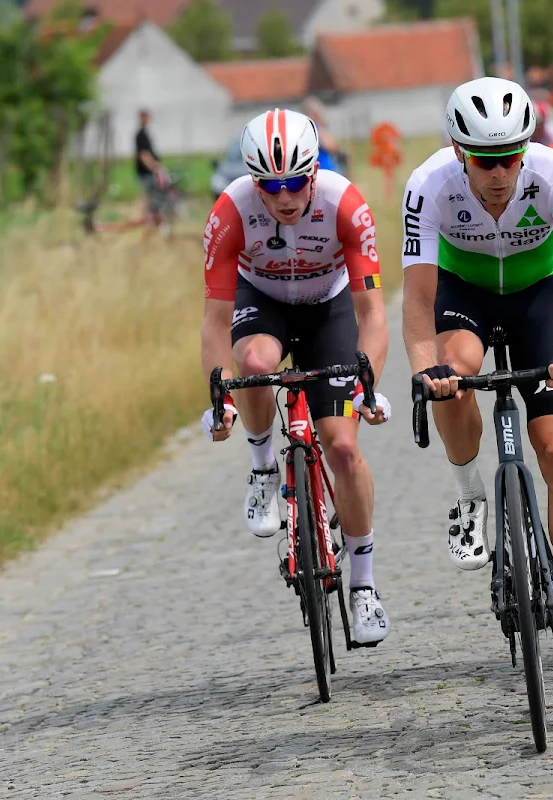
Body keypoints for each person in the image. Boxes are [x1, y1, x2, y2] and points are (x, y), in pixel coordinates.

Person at [400, 77, 553, 682]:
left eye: (512, 156)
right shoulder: (428, 185)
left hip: (537, 293)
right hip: (463, 292)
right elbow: (416, 304)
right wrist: (424, 371)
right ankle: (470, 493)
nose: (501, 172)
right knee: (454, 371)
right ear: (461, 152)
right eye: (488, 161)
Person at [200, 109, 394, 646]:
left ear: (314, 172)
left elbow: (374, 315)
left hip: (329, 308)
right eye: (271, 186)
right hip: (262, 303)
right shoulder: (231, 212)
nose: (284, 197)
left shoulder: (345, 204)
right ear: (253, 182)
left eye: (294, 183)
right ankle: (263, 466)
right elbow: (215, 323)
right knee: (257, 366)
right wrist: (219, 399)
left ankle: (363, 585)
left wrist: (367, 385)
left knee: (344, 449)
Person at [134, 109, 171, 230]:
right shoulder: (141, 135)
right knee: (150, 197)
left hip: (148, 171)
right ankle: (146, 220)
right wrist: (155, 168)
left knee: (151, 197)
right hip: (145, 173)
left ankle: (148, 220)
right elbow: (144, 155)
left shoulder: (145, 133)